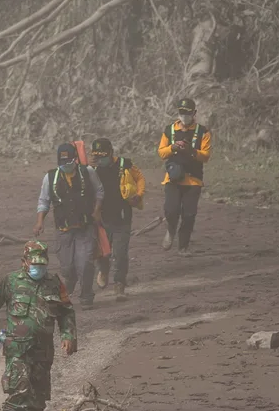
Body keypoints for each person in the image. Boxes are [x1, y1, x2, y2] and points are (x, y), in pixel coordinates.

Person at [0, 240, 77, 411]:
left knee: (38, 400)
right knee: (18, 392)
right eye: (34, 264)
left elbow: (66, 312)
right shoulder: (11, 282)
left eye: (42, 264)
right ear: (24, 262)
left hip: (43, 352)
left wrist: (68, 336)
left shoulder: (54, 284)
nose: (38, 268)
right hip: (17, 349)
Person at [34, 143, 103, 307]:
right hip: (63, 230)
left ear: (75, 160)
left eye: (69, 162)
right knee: (67, 267)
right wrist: (39, 222)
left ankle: (86, 296)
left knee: (85, 263)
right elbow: (44, 201)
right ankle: (70, 282)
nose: (66, 166)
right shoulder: (50, 178)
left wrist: (97, 210)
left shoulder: (88, 172)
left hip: (85, 227)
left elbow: (100, 191)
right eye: (62, 163)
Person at [89, 138, 145, 301]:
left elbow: (140, 177)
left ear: (111, 152)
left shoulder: (124, 164)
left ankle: (119, 284)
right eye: (97, 156)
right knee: (103, 253)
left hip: (122, 217)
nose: (101, 159)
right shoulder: (90, 169)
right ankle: (103, 271)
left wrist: (139, 194)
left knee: (120, 253)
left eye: (103, 156)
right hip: (101, 218)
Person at [157, 97, 212, 255]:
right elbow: (161, 152)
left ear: (194, 113)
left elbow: (206, 156)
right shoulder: (170, 130)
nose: (184, 116)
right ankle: (171, 229)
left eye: (188, 113)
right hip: (173, 178)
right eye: (182, 113)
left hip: (193, 180)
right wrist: (173, 147)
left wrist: (192, 152)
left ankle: (183, 246)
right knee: (171, 210)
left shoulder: (203, 132)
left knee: (189, 214)